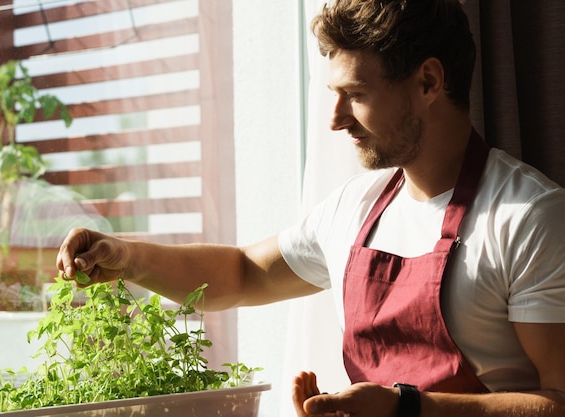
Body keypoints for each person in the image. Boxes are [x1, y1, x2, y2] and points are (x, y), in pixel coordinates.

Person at [56, 0, 565, 416]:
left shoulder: (528, 216)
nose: (336, 119)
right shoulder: (354, 206)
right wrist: (126, 256)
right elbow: (240, 274)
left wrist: (409, 408)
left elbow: (558, 401)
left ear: (429, 82)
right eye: (334, 94)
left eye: (355, 94)